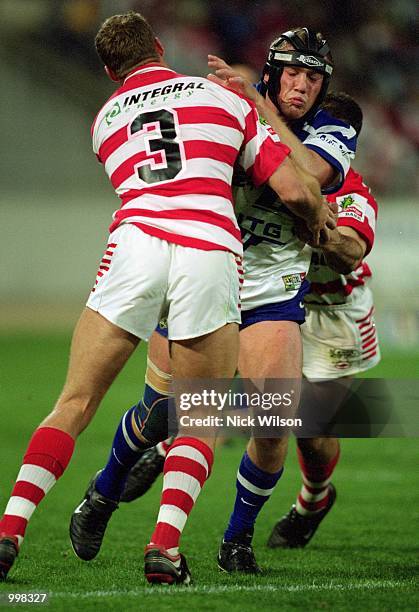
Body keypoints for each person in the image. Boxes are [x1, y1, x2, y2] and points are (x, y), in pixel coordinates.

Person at [0, 13, 333, 584]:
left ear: (109, 70)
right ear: (160, 46)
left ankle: (10, 530)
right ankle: (164, 549)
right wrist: (318, 217)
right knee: (199, 415)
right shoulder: (221, 97)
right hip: (208, 249)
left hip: (136, 246)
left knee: (74, 403)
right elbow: (295, 190)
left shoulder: (104, 120)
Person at [267, 92, 380, 549]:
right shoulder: (280, 176)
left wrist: (321, 232)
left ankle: (314, 498)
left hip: (334, 314)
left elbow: (350, 252)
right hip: (276, 300)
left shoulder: (353, 192)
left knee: (311, 431)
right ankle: (159, 446)